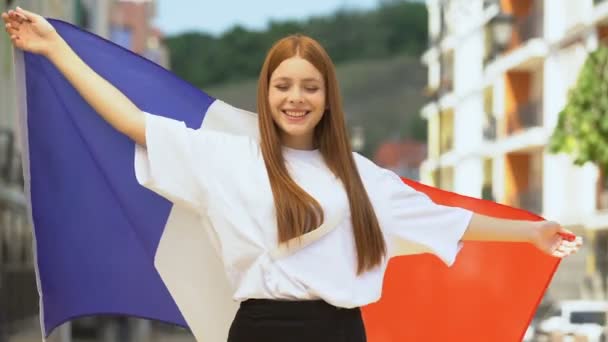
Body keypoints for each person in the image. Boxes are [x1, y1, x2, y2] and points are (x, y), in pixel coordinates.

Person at [2, 7, 582, 342]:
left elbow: (448, 221)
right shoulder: (225, 157)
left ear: (328, 96)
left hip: (339, 333)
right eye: (284, 85)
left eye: (310, 86)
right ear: (267, 92)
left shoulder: (360, 177)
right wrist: (55, 48)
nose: (296, 97)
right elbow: (132, 121)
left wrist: (530, 233)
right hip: (260, 331)